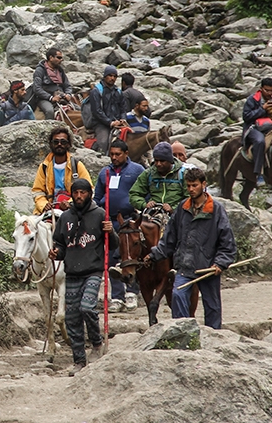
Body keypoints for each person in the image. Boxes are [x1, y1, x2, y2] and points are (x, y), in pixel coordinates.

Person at [143, 168, 236, 329]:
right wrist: (154, 255)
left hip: (208, 268)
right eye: (188, 186)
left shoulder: (216, 210)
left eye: (195, 185)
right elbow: (169, 239)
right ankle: (183, 334)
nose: (191, 189)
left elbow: (227, 243)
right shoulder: (182, 208)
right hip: (185, 267)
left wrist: (220, 263)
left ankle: (214, 338)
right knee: (178, 296)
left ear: (204, 184)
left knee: (212, 306)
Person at [48, 178, 113, 374]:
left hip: (93, 271)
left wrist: (111, 231)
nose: (78, 196)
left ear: (89, 194)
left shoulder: (101, 214)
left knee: (87, 308)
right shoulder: (65, 218)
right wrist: (56, 253)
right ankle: (79, 361)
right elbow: (59, 244)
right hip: (72, 273)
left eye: (82, 192)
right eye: (75, 193)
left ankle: (96, 342)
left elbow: (114, 245)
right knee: (72, 319)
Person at [93, 139, 145, 313]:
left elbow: (145, 191)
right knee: (111, 259)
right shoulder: (104, 172)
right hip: (109, 221)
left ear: (126, 154)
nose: (114, 157)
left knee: (129, 255)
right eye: (111, 154)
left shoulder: (137, 170)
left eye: (117, 154)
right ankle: (117, 296)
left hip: (129, 221)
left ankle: (131, 292)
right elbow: (97, 196)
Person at [32, 126, 92, 215]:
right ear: (51, 144)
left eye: (63, 142)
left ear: (68, 144)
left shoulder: (77, 165)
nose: (59, 144)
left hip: (73, 210)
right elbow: (37, 191)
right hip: (50, 210)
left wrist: (71, 203)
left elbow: (89, 189)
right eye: (56, 142)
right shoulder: (44, 167)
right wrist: (44, 205)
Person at [129, 141, 187, 223]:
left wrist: (173, 209)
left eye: (162, 161)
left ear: (170, 160)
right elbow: (133, 194)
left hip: (177, 218)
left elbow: (189, 198)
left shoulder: (183, 174)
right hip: (152, 217)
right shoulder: (148, 174)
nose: (158, 164)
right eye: (156, 160)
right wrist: (144, 204)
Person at [242, 78, 272, 186]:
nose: (269, 93)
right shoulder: (252, 100)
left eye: (271, 90)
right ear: (261, 89)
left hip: (270, 127)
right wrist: (262, 109)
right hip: (253, 128)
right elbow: (246, 117)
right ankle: (259, 174)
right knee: (260, 141)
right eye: (267, 90)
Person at [88, 65, 126, 154]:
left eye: (114, 76)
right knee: (103, 142)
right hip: (101, 123)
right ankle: (102, 157)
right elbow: (97, 111)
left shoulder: (118, 92)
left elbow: (123, 108)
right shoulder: (96, 91)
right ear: (105, 76)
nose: (112, 78)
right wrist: (110, 122)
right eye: (110, 75)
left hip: (117, 122)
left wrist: (123, 119)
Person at [31, 47, 74, 118]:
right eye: (59, 58)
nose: (61, 60)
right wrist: (50, 98)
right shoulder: (40, 70)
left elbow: (67, 85)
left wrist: (68, 94)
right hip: (44, 99)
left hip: (61, 97)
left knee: (79, 109)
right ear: (51, 58)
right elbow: (37, 88)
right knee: (49, 111)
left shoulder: (60, 70)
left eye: (61, 58)